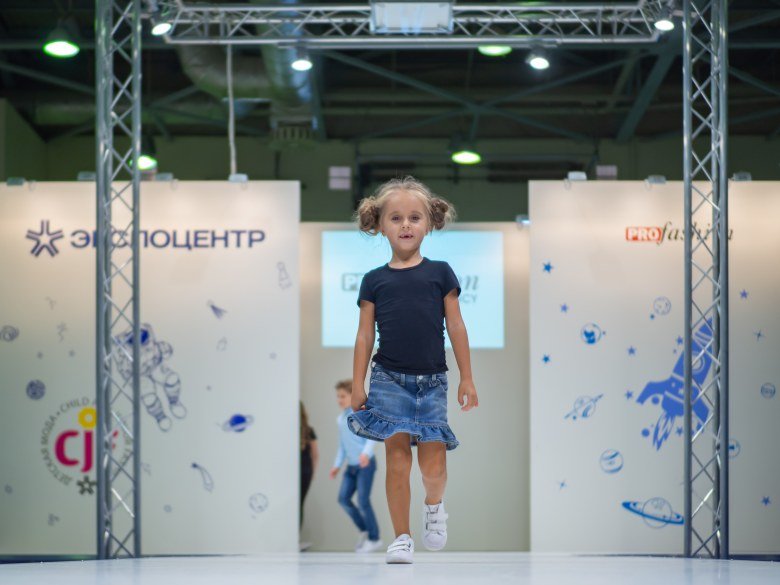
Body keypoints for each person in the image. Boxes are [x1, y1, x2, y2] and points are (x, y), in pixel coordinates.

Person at [346, 176, 479, 564]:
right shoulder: (374, 280)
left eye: (414, 217)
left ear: (429, 223)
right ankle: (401, 537)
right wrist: (358, 383)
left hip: (432, 381)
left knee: (433, 467)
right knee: (398, 461)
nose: (406, 225)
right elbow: (364, 336)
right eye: (396, 218)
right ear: (380, 225)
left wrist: (467, 377)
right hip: (388, 379)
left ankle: (434, 506)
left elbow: (456, 325)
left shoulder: (441, 273)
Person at [329, 379, 383, 553]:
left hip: (365, 465)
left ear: (352, 396)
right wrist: (337, 465)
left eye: (343, 396)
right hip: (351, 467)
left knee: (363, 501)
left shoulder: (360, 414)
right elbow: (342, 445)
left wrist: (365, 454)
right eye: (338, 396)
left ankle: (374, 539)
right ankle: (364, 530)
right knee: (343, 499)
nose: (339, 400)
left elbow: (371, 437)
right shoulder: (340, 419)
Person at [299, 401, 319, 551]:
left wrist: (313, 472)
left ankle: (295, 538)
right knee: (298, 504)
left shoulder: (308, 431)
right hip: (302, 471)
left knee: (298, 504)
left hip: (304, 470)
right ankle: (293, 538)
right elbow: (315, 455)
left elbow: (315, 454)